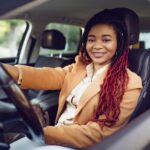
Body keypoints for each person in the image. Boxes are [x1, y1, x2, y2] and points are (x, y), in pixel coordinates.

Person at [4, 8, 142, 149]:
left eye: (106, 40)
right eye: (91, 39)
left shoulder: (130, 83)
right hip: (52, 136)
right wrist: (10, 71)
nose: (97, 46)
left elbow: (101, 133)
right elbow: (46, 75)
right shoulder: (79, 68)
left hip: (80, 145)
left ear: (119, 43)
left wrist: (45, 133)